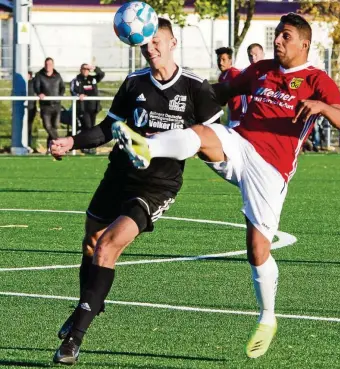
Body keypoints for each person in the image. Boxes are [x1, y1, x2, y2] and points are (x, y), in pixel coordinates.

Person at [115, 13, 340, 359]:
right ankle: (148, 148)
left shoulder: (317, 79)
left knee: (257, 250)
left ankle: (268, 317)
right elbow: (221, 92)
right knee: (200, 136)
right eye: (276, 36)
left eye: (285, 37)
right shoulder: (261, 70)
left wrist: (320, 106)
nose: (278, 42)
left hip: (272, 170)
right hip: (239, 144)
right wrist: (192, 98)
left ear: (304, 44)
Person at [50, 18, 223, 365]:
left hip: (158, 185)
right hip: (118, 175)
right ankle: (91, 302)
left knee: (108, 245)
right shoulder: (134, 84)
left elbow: (215, 140)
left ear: (173, 42)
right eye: (146, 44)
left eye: (158, 42)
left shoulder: (195, 87)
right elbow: (108, 129)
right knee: (91, 240)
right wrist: (72, 141)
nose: (151, 49)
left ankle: (73, 338)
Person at [33, 57, 65, 151]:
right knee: (47, 126)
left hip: (56, 105)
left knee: (55, 126)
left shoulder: (57, 75)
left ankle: (50, 147)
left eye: (50, 64)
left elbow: (62, 87)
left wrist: (60, 96)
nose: (48, 66)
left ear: (53, 65)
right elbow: (36, 87)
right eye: (46, 64)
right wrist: (40, 93)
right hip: (45, 106)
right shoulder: (39, 75)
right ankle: (58, 142)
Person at [215, 47, 247, 128]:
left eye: (223, 59)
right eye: (218, 60)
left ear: (230, 61)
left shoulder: (235, 73)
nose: (220, 63)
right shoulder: (222, 77)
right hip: (233, 116)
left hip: (241, 118)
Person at [70, 64, 105, 132]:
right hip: (83, 108)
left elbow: (101, 74)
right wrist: (78, 95)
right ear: (80, 70)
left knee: (92, 127)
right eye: (84, 69)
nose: (86, 71)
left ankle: (89, 142)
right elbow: (72, 90)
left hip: (93, 108)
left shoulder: (92, 79)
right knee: (87, 127)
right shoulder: (76, 80)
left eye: (87, 69)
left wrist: (94, 68)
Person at [27, 71, 37, 153]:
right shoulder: (19, 85)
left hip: (31, 108)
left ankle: (28, 144)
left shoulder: (33, 83)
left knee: (29, 127)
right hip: (22, 109)